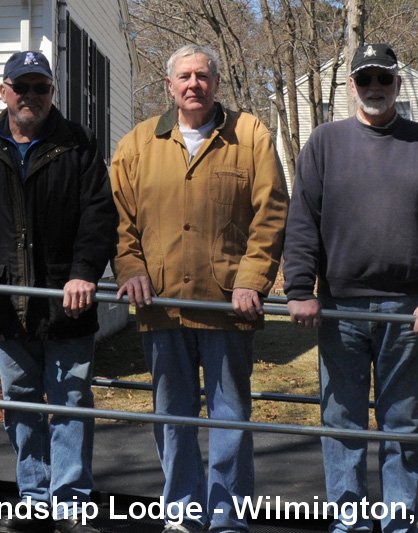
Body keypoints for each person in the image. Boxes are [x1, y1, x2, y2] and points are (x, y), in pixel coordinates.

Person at [283, 43, 418, 533]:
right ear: (352, 86)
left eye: (383, 79)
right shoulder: (323, 143)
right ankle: (350, 520)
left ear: (397, 84)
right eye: (365, 80)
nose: (374, 89)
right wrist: (300, 288)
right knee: (341, 423)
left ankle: (399, 520)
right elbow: (302, 222)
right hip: (339, 309)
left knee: (402, 427)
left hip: (409, 311)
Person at [110, 44, 288, 533]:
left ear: (216, 82)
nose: (194, 84)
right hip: (162, 306)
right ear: (169, 85)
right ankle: (182, 512)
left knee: (230, 416)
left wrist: (253, 279)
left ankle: (228, 515)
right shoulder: (138, 144)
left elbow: (271, 213)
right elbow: (120, 222)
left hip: (228, 308)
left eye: (203, 76)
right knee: (173, 416)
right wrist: (131, 271)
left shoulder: (249, 135)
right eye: (184, 76)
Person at [0, 50, 117, 533]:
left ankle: (71, 504)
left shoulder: (79, 144)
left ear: (52, 94)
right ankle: (34, 499)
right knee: (20, 402)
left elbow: (99, 218)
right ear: (4, 91)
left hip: (68, 302)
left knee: (69, 402)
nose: (31, 96)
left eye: (41, 88)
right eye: (22, 87)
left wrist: (85, 271)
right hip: (4, 303)